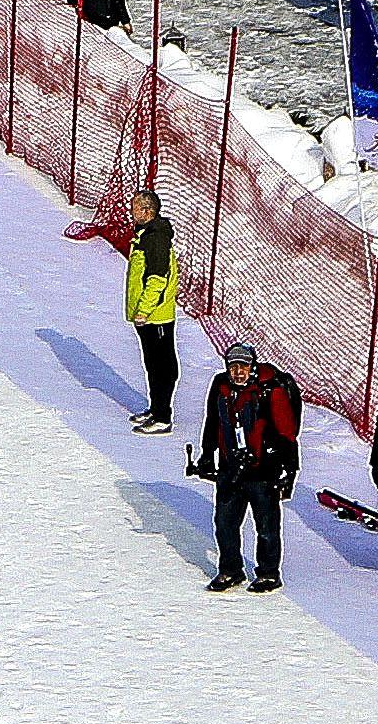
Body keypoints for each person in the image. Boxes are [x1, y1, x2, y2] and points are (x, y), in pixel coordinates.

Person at [193, 339, 300, 593]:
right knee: (224, 523)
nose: (238, 372)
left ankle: (268, 574)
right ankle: (230, 570)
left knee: (266, 526)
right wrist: (207, 454)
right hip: (231, 467)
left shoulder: (269, 391)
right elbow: (212, 421)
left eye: (243, 366)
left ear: (252, 366)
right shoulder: (220, 387)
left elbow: (287, 433)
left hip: (264, 470)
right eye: (233, 367)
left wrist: (289, 470)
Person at [120, 192, 182, 432]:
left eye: (135, 208)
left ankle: (162, 416)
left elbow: (157, 278)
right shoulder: (145, 235)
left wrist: (144, 310)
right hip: (147, 315)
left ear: (147, 212)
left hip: (156, 316)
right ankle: (155, 409)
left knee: (163, 366)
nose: (131, 212)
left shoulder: (156, 239)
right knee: (152, 363)